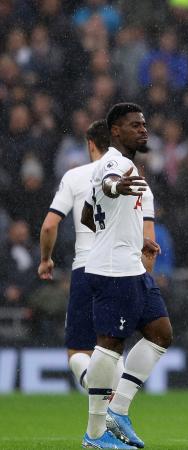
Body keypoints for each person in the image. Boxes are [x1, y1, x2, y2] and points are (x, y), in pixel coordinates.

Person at [38, 120, 156, 396]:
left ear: (91, 144)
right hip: (124, 273)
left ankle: (96, 387)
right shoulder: (136, 180)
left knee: (78, 351)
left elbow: (49, 226)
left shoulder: (75, 176)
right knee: (113, 345)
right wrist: (144, 281)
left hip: (87, 270)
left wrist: (46, 260)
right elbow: (149, 242)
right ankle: (115, 401)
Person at [78, 103, 171, 449]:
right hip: (114, 270)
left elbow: (87, 215)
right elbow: (109, 185)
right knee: (110, 345)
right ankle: (94, 433)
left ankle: (118, 411)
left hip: (129, 264)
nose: (143, 130)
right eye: (135, 125)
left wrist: (131, 237)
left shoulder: (117, 164)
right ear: (115, 131)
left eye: (144, 125)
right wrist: (117, 188)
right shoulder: (116, 164)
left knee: (160, 333)